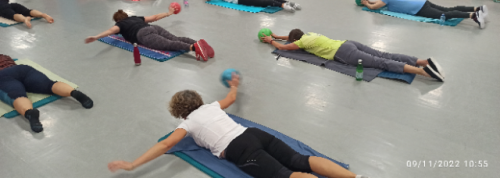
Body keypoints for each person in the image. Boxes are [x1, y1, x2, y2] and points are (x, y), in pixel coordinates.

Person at [107, 76, 371, 178]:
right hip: (254, 134)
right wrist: (233, 83)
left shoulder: (187, 124)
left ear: (178, 112)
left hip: (241, 150)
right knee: (301, 160)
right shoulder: (211, 106)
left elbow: (166, 144)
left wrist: (132, 164)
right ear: (197, 101)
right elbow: (232, 98)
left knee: (287, 176)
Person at [261, 29, 446, 82]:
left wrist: (271, 40)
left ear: (295, 41)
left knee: (381, 63)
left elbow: (283, 48)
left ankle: (424, 72)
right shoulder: (308, 34)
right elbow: (289, 37)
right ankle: (423, 61)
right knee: (384, 54)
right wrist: (278, 35)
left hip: (343, 53)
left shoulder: (301, 43)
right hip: (348, 42)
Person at [0, 54, 93, 133]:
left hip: (3, 76)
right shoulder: (4, 56)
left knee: (16, 95)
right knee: (50, 85)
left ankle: (29, 113)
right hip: (22, 69)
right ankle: (74, 93)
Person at [84, 9, 214, 61]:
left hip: (143, 35)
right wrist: (169, 13)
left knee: (168, 44)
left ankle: (194, 47)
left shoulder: (120, 25)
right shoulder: (136, 17)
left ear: (117, 20)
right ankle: (197, 42)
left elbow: (110, 31)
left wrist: (96, 37)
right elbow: (155, 17)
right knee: (175, 38)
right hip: (153, 28)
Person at [362, 0, 487, 29]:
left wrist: (366, 4)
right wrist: (370, 1)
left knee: (443, 15)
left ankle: (473, 16)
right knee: (448, 9)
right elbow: (378, 3)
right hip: (423, 2)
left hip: (420, 9)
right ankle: (477, 8)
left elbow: (375, 7)